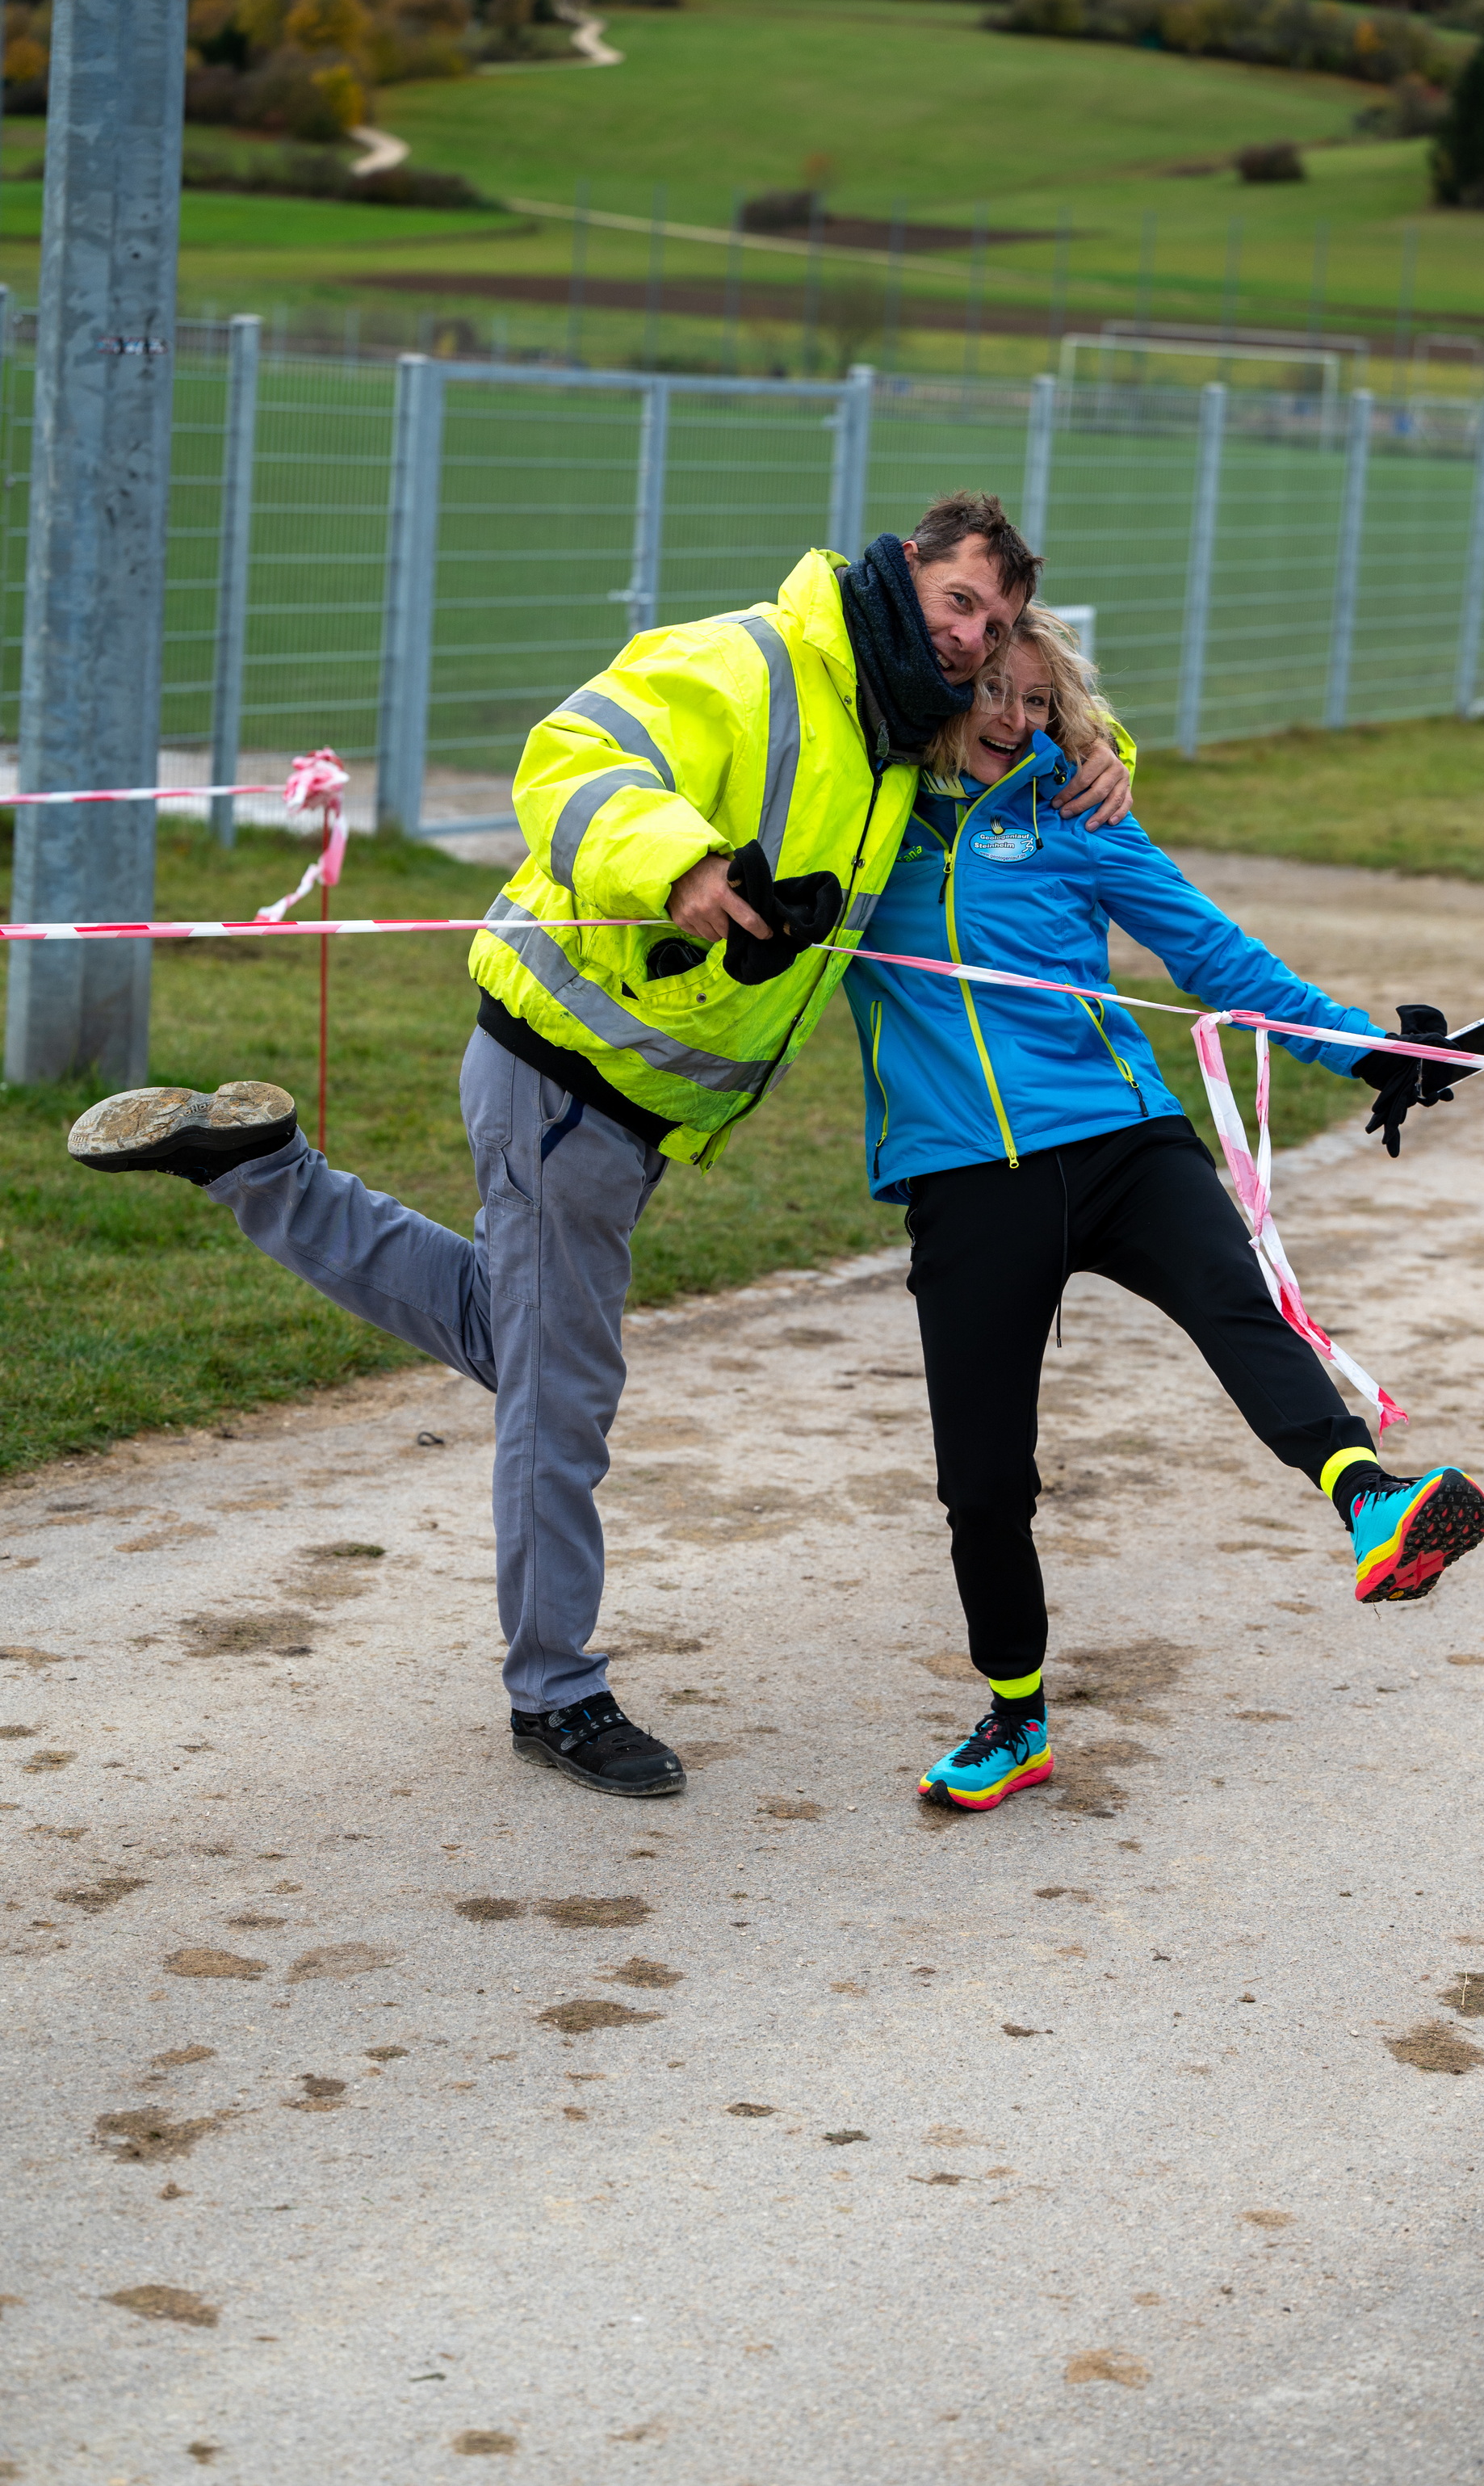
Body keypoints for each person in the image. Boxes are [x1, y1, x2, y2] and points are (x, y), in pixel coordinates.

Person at [64, 498, 1131, 1803]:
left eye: (997, 621)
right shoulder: (756, 660)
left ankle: (259, 1168)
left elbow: (1016, 739)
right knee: (559, 1396)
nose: (974, 638)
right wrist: (683, 867)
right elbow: (571, 756)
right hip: (565, 1073)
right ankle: (555, 1689)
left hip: (626, 1103)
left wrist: (1098, 745)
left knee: (518, 1336)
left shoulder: (902, 724)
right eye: (960, 602)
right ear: (905, 569)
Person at [841, 604, 1484, 1815]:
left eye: (1041, 701)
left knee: (1240, 1304)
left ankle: (1371, 1502)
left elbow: (1214, 952)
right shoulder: (864, 821)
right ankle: (1016, 1718)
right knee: (984, 1481)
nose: (1015, 720)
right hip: (967, 1172)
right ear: (939, 688)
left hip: (1121, 1136)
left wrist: (1366, 1051)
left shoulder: (1079, 810)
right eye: (992, 693)